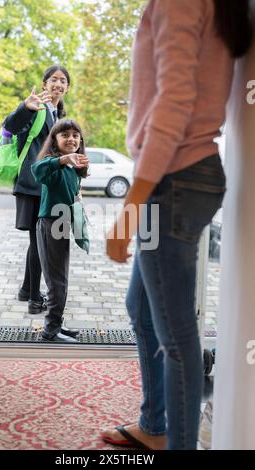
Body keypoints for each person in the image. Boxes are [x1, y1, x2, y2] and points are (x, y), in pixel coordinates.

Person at [102, 0, 253, 450]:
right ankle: (154, 425)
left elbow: (174, 102)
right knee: (142, 307)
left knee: (176, 333)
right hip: (181, 176)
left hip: (174, 179)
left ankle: (177, 443)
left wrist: (129, 210)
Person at [3, 65, 70, 314]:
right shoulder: (37, 106)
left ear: (67, 87)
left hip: (43, 184)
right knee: (39, 240)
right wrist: (24, 106)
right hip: (32, 184)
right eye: (54, 79)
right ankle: (34, 298)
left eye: (63, 81)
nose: (58, 84)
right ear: (45, 84)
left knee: (37, 240)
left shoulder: (57, 112)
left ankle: (26, 290)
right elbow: (10, 125)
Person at [31, 119, 89, 343]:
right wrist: (63, 159)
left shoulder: (72, 169)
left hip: (62, 225)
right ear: (54, 141)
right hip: (50, 225)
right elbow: (37, 171)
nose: (71, 139)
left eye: (76, 135)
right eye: (65, 135)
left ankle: (57, 324)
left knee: (61, 280)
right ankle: (50, 332)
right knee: (57, 282)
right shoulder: (51, 164)